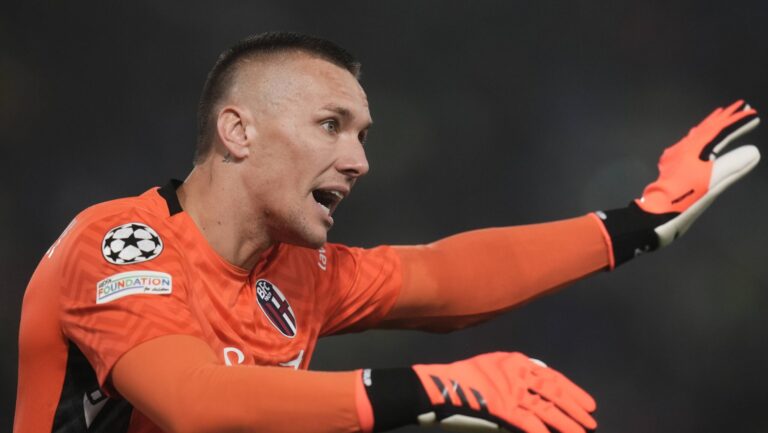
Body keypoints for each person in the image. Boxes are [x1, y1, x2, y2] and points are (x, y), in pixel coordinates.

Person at [13, 32, 760, 433]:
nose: (359, 160)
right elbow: (195, 403)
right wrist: (430, 389)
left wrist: (637, 224)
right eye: (331, 125)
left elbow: (442, 279)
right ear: (237, 131)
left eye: (364, 135)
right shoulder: (118, 243)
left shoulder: (296, 271)